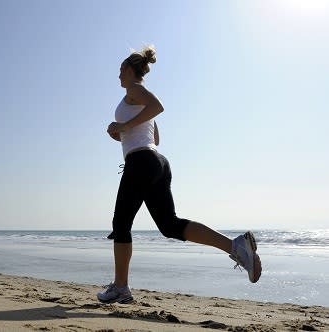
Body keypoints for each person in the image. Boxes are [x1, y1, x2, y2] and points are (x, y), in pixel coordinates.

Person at [97, 46, 262, 304]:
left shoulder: (134, 90)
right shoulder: (136, 98)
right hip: (157, 162)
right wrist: (124, 131)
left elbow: (158, 106)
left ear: (130, 70)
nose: (118, 75)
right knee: (170, 225)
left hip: (141, 162)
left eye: (120, 70)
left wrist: (123, 126)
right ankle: (235, 246)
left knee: (121, 224)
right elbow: (156, 137)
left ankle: (120, 287)